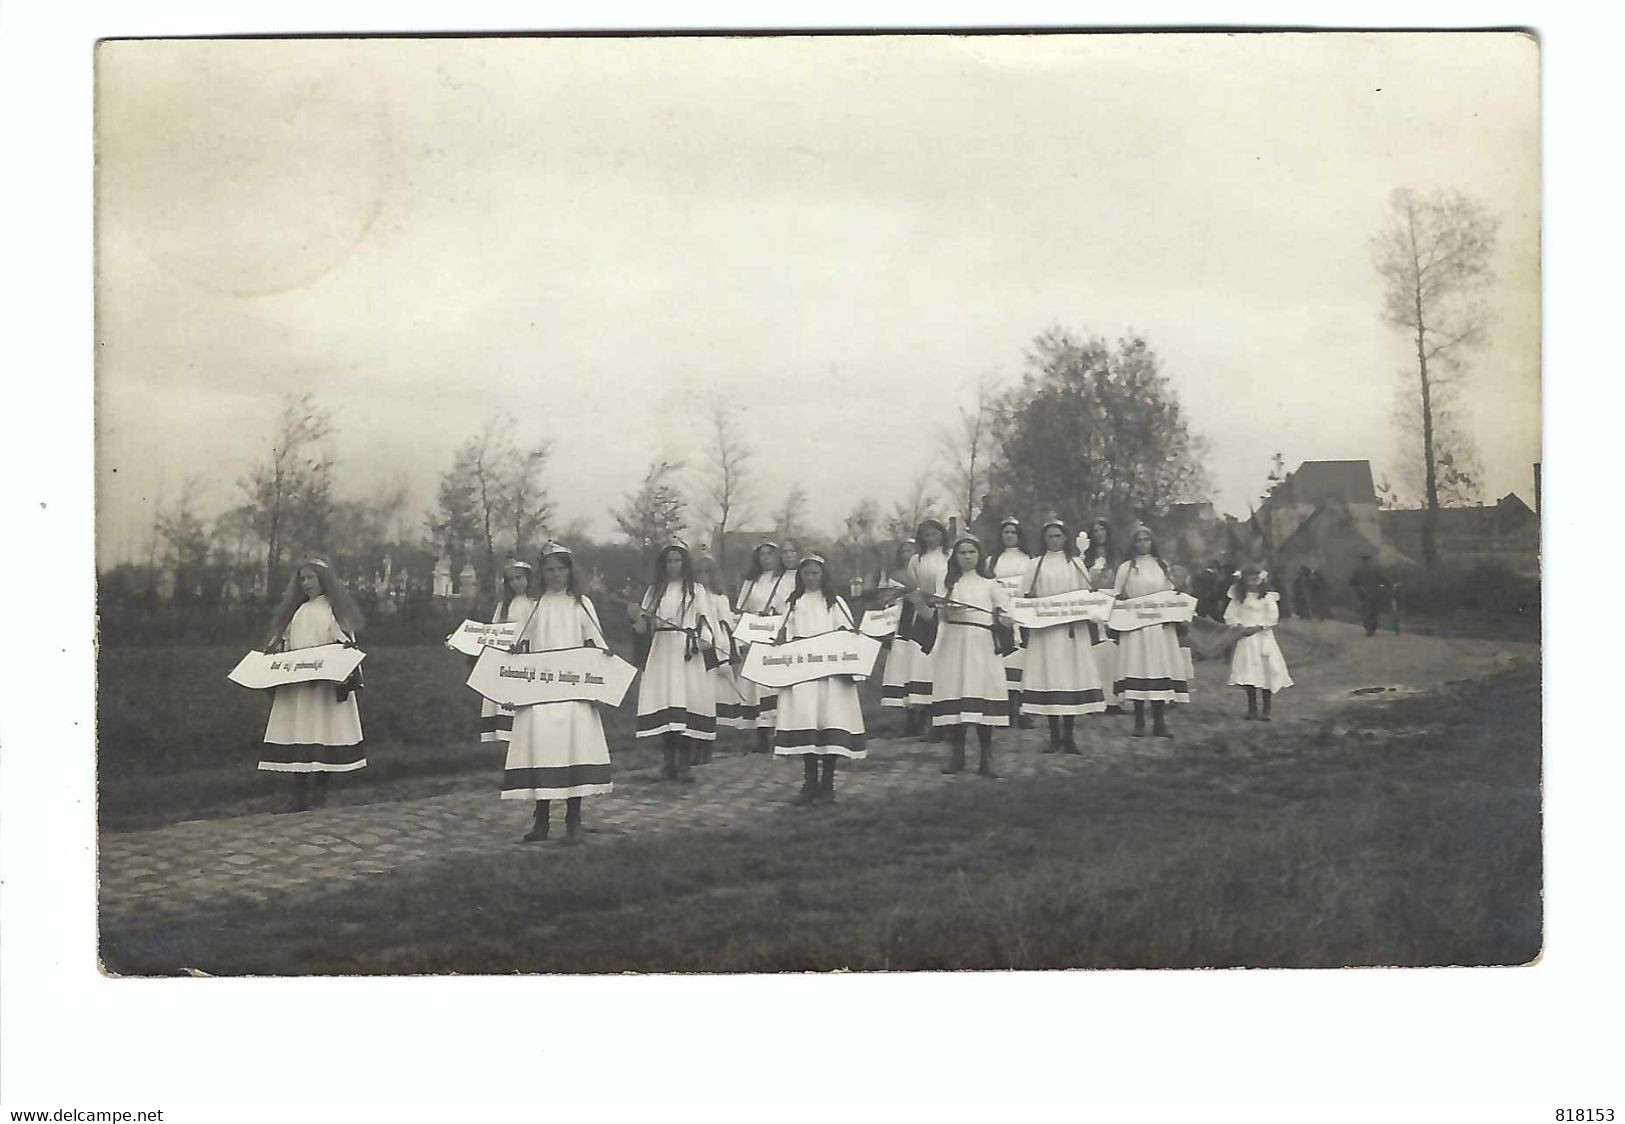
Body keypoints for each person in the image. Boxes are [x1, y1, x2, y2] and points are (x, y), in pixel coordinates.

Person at [505, 542, 615, 843]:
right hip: (541, 690)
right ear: (541, 573)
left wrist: (599, 665)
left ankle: (573, 819)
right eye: (550, 569)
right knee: (543, 749)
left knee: (573, 748)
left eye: (561, 568)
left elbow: (597, 642)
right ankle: (541, 820)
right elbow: (516, 644)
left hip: (573, 688)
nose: (556, 575)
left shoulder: (581, 604)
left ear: (571, 569)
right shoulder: (533, 606)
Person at [258, 558, 367, 812]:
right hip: (298, 685)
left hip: (323, 686)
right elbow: (281, 642)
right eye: (303, 578)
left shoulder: (333, 611)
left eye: (311, 578)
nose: (306, 583)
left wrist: (340, 669)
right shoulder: (295, 612)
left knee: (323, 732)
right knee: (300, 733)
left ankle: (320, 793)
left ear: (323, 580)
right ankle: (299, 794)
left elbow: (346, 645)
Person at [915, 534, 1015, 777]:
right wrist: (935, 606)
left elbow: (1006, 612)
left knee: (981, 693)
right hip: (954, 643)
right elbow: (938, 614)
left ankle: (986, 758)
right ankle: (957, 755)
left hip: (981, 645)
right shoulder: (948, 583)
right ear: (955, 557)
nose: (967, 557)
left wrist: (1004, 617)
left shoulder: (990, 584)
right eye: (962, 553)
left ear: (979, 556)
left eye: (972, 552)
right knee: (956, 694)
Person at [772, 554, 867, 805]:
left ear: (823, 575)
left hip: (829, 674)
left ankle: (828, 784)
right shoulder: (792, 603)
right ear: (799, 577)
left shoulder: (834, 603)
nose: (810, 578)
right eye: (805, 574)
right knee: (807, 721)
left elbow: (848, 632)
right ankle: (809, 781)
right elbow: (781, 633)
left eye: (815, 573)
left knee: (829, 720)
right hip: (804, 672)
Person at [629, 542, 720, 782]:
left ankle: (685, 762)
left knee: (686, 702)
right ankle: (668, 762)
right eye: (669, 561)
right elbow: (644, 625)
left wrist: (706, 639)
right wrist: (637, 617)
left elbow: (707, 618)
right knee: (667, 702)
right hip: (663, 650)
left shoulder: (696, 590)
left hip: (687, 650)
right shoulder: (654, 591)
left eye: (677, 561)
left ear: (685, 563)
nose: (673, 566)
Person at [1019, 516, 1107, 755]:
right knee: (1051, 679)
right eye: (1049, 536)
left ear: (1066, 537)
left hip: (1071, 632)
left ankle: (1069, 736)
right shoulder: (1035, 564)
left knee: (1071, 679)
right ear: (1043, 539)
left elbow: (1088, 594)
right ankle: (1054, 736)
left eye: (1058, 535)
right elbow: (1024, 595)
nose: (1054, 540)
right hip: (1046, 633)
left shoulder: (1076, 563)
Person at [1111, 525, 1190, 739]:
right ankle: (1138, 721)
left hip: (1158, 628)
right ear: (1133, 543)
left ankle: (1159, 722)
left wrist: (1175, 606)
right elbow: (1116, 595)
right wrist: (1125, 607)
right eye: (1139, 539)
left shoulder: (1162, 566)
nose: (1143, 543)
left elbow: (1170, 594)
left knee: (1157, 669)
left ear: (1152, 542)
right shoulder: (1126, 568)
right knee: (1138, 668)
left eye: (1147, 539)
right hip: (1135, 626)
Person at [735, 540, 793, 753]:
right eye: (762, 554)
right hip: (755, 635)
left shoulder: (788, 579)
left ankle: (780, 733)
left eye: (770, 554)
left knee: (775, 684)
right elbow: (742, 608)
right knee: (755, 685)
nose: (766, 558)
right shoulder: (751, 582)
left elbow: (791, 606)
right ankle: (761, 736)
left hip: (776, 634)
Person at [902, 518, 952, 741]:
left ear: (942, 534)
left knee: (941, 665)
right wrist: (919, 603)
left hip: (944, 614)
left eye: (935, 534)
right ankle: (921, 719)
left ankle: (941, 722)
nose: (931, 539)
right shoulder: (916, 559)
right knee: (922, 665)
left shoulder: (949, 556)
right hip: (922, 613)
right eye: (926, 535)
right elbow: (912, 586)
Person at [480, 559, 537, 745]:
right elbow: (495, 631)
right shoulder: (503, 606)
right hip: (506, 655)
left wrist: (525, 646)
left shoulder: (535, 603)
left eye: (519, 578)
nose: (515, 583)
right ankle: (505, 734)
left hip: (528, 655)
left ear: (528, 578)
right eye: (511, 580)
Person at [692, 550, 743, 761]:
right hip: (696, 649)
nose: (704, 577)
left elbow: (726, 627)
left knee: (711, 700)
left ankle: (706, 747)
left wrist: (726, 655)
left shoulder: (720, 598)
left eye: (708, 572)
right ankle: (693, 746)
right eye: (700, 572)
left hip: (716, 649)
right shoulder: (692, 595)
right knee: (696, 699)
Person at [1225, 565, 1293, 721]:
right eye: (1248, 579)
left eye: (1254, 579)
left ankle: (1266, 709)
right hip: (1246, 639)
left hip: (1263, 637)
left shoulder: (1267, 597)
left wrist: (1259, 627)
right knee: (1249, 673)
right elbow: (1230, 615)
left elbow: (1273, 616)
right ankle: (1252, 708)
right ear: (1243, 580)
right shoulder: (1238, 597)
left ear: (1260, 579)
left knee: (1265, 671)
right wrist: (1239, 626)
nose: (1251, 582)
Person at [989, 516, 1035, 729]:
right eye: (1005, 532)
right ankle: (1003, 708)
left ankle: (1022, 710)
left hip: (1024, 616)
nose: (1009, 536)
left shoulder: (1029, 560)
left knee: (1023, 660)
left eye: (1013, 532)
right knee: (1003, 659)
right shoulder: (992, 560)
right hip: (1001, 615)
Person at [1083, 517, 1122, 714]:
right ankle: (1095, 698)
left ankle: (1113, 699)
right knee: (1095, 651)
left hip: (1113, 605)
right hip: (1093, 606)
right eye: (1095, 530)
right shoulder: (1085, 557)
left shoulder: (1117, 556)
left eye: (1102, 530)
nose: (1099, 534)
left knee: (1113, 651)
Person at [879, 538, 920, 721]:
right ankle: (909, 720)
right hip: (902, 622)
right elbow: (887, 601)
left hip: (921, 621)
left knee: (920, 668)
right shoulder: (896, 576)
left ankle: (926, 717)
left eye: (910, 550)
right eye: (903, 551)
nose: (906, 555)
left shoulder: (924, 572)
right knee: (903, 670)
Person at [1348, 554, 1391, 637]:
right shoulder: (1374, 570)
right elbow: (1383, 579)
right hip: (1374, 593)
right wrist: (1389, 584)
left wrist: (1357, 587)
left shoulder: (1358, 571)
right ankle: (1372, 627)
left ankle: (1369, 627)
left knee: (1367, 611)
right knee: (1373, 611)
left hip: (1365, 594)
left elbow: (1351, 582)